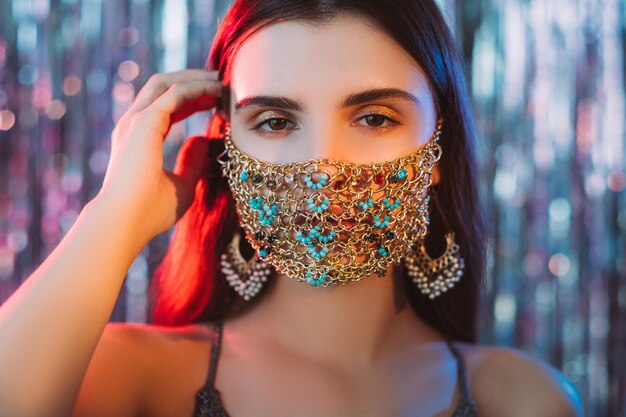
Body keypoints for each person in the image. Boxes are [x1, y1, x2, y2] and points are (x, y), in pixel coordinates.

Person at [0, 1, 584, 416]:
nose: (321, 166)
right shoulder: (127, 376)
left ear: (439, 149)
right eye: (276, 122)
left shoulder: (524, 399)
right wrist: (115, 217)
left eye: (374, 117)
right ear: (227, 151)